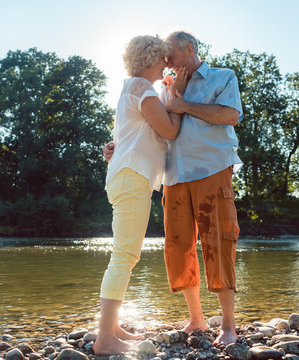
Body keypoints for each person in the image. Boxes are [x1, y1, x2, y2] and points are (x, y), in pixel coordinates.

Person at [104, 30, 243, 345]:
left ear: (190, 49)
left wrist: (185, 105)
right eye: (164, 57)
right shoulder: (164, 86)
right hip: (173, 175)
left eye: (172, 56)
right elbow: (147, 126)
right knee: (178, 247)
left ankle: (229, 327)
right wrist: (117, 147)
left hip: (211, 169)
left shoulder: (222, 77)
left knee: (218, 242)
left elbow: (231, 116)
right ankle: (197, 319)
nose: (167, 62)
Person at [93, 34, 187, 355]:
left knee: (123, 255)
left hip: (126, 176)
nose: (166, 65)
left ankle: (112, 326)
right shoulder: (142, 89)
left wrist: (110, 151)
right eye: (163, 59)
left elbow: (124, 140)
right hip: (132, 178)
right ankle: (105, 339)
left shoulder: (130, 89)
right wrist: (174, 95)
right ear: (150, 60)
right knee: (125, 256)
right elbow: (170, 130)